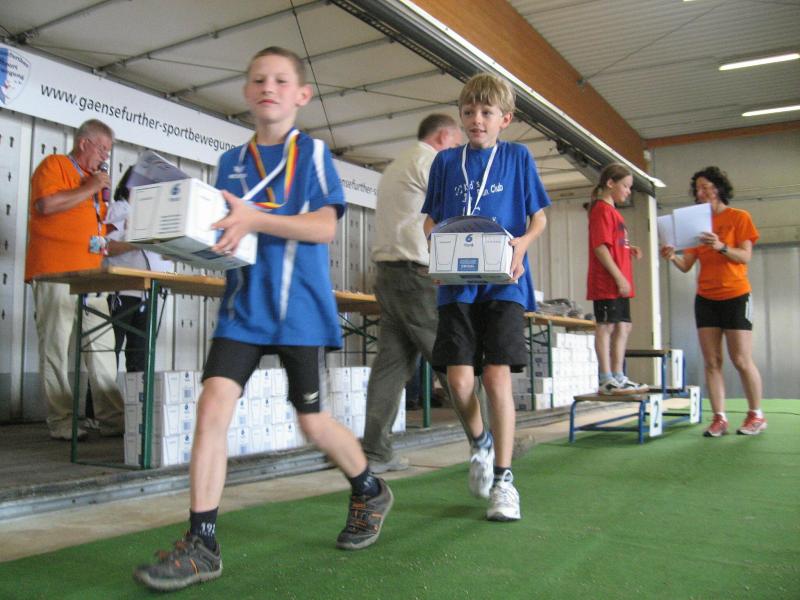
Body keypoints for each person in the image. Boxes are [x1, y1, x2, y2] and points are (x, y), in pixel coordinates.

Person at [133, 47, 393, 592]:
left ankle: (369, 489)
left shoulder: (313, 153)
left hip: (300, 310)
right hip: (242, 310)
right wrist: (187, 234)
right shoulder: (230, 162)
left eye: (279, 80)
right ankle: (202, 543)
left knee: (312, 423)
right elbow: (226, 230)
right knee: (211, 408)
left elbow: (324, 227)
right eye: (258, 80)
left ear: (301, 95)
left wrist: (256, 218)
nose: (267, 87)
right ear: (247, 93)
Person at [421, 73, 550, 522]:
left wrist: (522, 245)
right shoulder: (445, 162)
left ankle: (504, 480)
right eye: (469, 111)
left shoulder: (517, 157)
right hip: (457, 284)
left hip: (504, 283)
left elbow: (538, 218)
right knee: (457, 382)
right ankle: (480, 442)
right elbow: (430, 220)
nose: (477, 119)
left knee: (496, 377)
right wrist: (438, 251)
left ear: (504, 119)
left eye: (487, 112)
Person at [363, 113, 487, 473]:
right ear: (444, 137)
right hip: (417, 277)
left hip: (388, 275)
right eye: (456, 142)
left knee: (391, 365)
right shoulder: (432, 162)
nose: (458, 149)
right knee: (455, 360)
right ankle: (490, 442)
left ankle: (375, 451)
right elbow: (457, 214)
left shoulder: (396, 166)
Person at [24, 119, 125, 441]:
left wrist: (144, 243)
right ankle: (62, 421)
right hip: (55, 273)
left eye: (108, 151)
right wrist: (90, 187)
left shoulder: (95, 186)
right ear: (84, 143)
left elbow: (101, 239)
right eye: (103, 149)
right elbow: (46, 205)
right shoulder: (55, 165)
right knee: (56, 346)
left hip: (92, 277)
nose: (105, 157)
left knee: (103, 346)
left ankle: (112, 419)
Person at [660, 166, 765, 437]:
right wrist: (672, 256)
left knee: (740, 359)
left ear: (718, 188)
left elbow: (745, 256)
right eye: (697, 189)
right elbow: (686, 265)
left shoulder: (739, 217)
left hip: (736, 295)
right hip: (706, 298)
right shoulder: (696, 224)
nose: (701, 192)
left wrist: (721, 246)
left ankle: (756, 414)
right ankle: (719, 418)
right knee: (712, 361)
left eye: (706, 187)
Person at [586, 163, 649, 395]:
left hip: (618, 282)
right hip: (607, 282)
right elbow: (600, 247)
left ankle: (619, 375)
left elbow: (612, 243)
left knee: (623, 326)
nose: (628, 192)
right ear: (610, 183)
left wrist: (627, 249)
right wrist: (619, 276)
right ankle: (606, 378)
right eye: (625, 186)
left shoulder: (613, 212)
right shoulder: (601, 209)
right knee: (606, 326)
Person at [104, 166, 174, 372]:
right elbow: (106, 247)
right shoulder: (119, 210)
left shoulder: (154, 216)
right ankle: (101, 395)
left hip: (147, 292)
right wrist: (139, 241)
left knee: (140, 356)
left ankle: (136, 394)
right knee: (109, 353)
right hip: (121, 292)